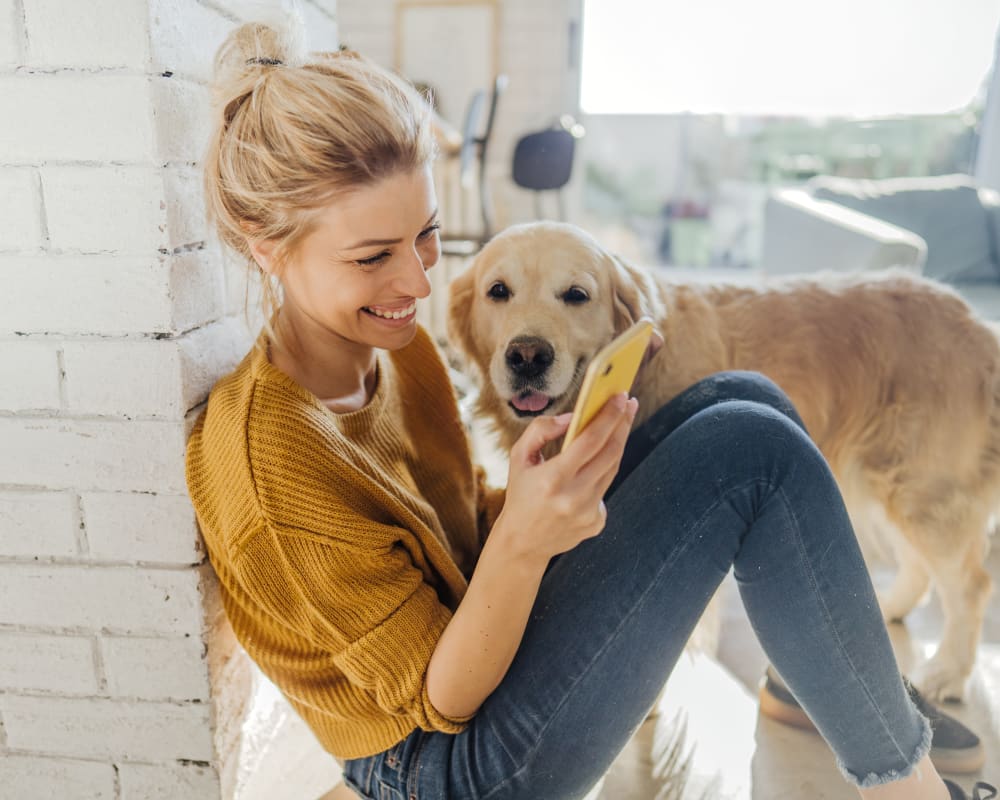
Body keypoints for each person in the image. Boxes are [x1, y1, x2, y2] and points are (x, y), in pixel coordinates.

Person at [185, 16, 998, 800]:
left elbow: (459, 525)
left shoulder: (395, 353)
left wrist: (536, 501)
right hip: (446, 766)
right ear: (268, 247)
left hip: (485, 668)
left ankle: (837, 693)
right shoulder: (273, 460)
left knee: (739, 400)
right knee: (747, 450)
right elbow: (441, 699)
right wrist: (530, 539)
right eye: (373, 257)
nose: (419, 283)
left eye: (425, 237)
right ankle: (909, 789)